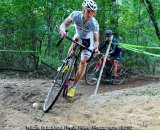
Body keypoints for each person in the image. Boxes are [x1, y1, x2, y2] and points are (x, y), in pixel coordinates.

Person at [59, 0, 99, 97]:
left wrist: (95, 48)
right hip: (79, 36)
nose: (90, 14)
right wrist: (63, 30)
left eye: (92, 12)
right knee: (75, 39)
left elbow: (96, 40)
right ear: (83, 9)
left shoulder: (94, 23)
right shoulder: (75, 15)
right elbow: (63, 24)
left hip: (88, 42)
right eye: (88, 11)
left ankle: (73, 87)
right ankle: (67, 62)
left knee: (83, 62)